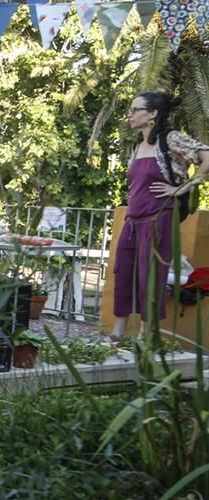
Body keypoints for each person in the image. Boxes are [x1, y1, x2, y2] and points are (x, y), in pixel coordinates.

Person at [109, 92, 209, 341]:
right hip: (132, 221)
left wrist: (181, 188)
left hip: (159, 218)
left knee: (150, 275)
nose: (130, 115)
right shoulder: (138, 145)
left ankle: (146, 335)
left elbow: (206, 157)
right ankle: (118, 332)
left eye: (135, 110)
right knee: (124, 272)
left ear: (152, 114)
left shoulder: (170, 139)